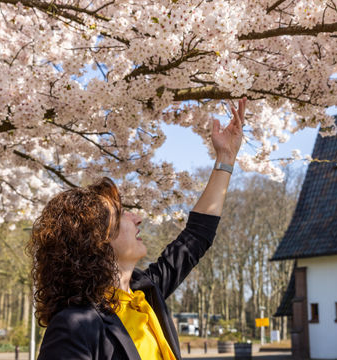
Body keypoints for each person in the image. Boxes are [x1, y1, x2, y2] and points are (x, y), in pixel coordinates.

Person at [29, 98, 247, 360]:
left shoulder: (147, 292)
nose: (137, 218)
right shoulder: (74, 326)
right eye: (121, 214)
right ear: (95, 238)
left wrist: (225, 158)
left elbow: (197, 235)